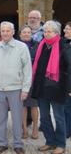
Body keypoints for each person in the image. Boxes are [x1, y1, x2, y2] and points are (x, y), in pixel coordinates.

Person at [0, 22, 32, 154]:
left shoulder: (22, 47)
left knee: (17, 117)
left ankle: (18, 144)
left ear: (13, 32)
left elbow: (27, 69)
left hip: (16, 88)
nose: (5, 33)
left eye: (8, 31)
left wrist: (25, 89)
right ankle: (1, 143)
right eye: (3, 31)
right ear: (0, 32)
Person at [31, 20, 71, 154]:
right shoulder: (41, 45)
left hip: (57, 88)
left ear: (56, 33)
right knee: (44, 117)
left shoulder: (63, 45)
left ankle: (61, 144)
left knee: (59, 117)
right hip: (42, 87)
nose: (46, 34)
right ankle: (50, 141)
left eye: (49, 31)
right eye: (45, 31)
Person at [18, 25, 39, 140]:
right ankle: (24, 129)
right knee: (23, 105)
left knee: (34, 105)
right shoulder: (17, 45)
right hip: (20, 79)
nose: (26, 34)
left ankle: (35, 128)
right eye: (24, 32)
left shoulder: (37, 45)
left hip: (34, 79)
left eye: (28, 32)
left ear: (31, 34)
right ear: (20, 34)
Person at [63, 22, 71, 139]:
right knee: (66, 108)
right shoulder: (64, 44)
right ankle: (66, 130)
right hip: (66, 82)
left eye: (68, 29)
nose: (64, 30)